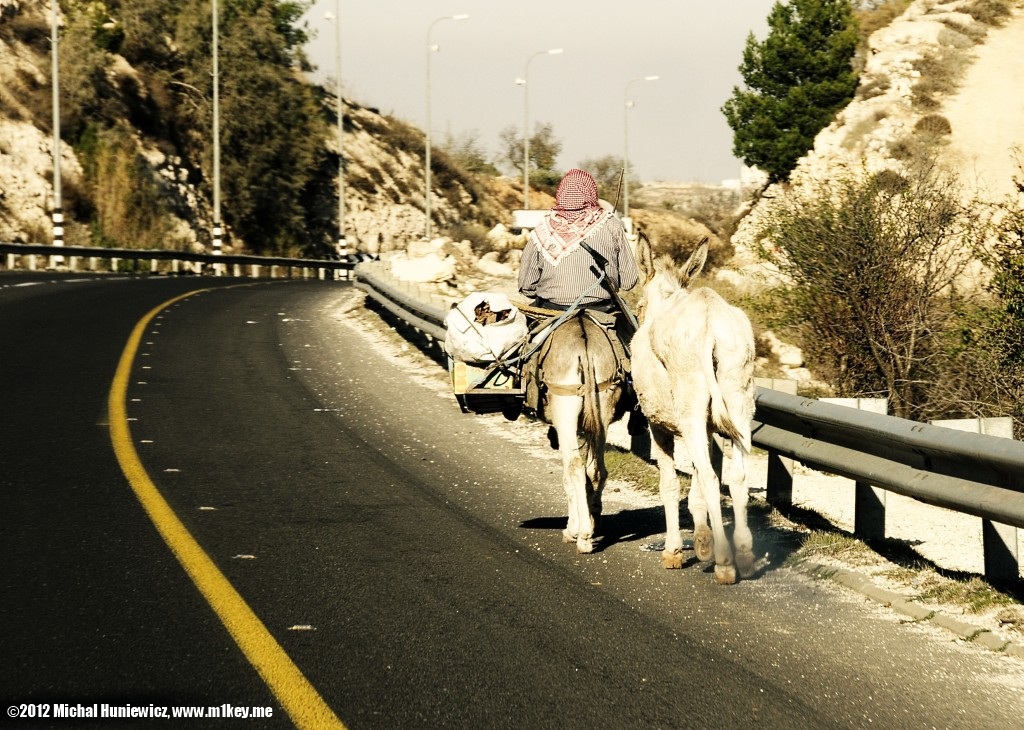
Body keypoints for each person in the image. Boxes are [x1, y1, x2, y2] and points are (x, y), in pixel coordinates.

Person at [518, 168, 639, 313]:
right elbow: (629, 281)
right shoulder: (610, 223)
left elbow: (526, 286)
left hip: (551, 307)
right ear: (592, 192)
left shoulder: (543, 227)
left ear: (561, 193)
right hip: (601, 308)